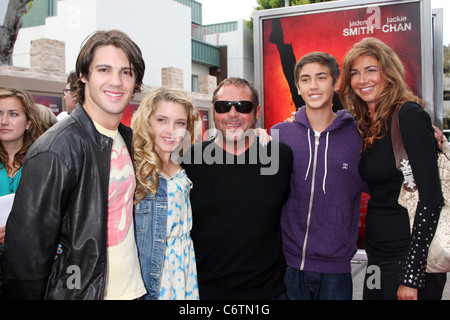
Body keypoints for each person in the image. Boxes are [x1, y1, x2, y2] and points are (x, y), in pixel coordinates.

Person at [1, 29, 146, 300]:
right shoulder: (56, 150)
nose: (116, 82)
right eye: (104, 69)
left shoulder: (124, 137)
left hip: (132, 291)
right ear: (83, 75)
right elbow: (25, 261)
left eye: (126, 72)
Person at [340, 37, 446, 300]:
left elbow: (431, 199)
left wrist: (411, 275)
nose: (362, 79)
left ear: (389, 72)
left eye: (371, 70)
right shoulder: (368, 125)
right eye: (355, 72)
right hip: (377, 254)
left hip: (408, 256)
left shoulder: (409, 115)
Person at [181, 77, 293, 299]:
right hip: (205, 292)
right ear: (214, 112)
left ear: (257, 112)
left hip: (268, 292)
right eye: (224, 106)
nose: (233, 114)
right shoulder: (190, 160)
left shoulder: (280, 156)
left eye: (243, 106)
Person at [271, 52, 368, 300]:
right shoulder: (279, 134)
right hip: (288, 266)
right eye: (305, 79)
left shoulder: (358, 136)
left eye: (321, 77)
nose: (313, 86)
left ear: (335, 83)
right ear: (298, 87)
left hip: (336, 270)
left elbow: (383, 185)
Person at [131, 87, 200, 300]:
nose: (171, 130)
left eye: (180, 123)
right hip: (154, 269)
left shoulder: (185, 161)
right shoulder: (134, 167)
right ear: (147, 121)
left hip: (184, 266)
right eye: (162, 120)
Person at [0, 88, 43, 245]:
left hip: (30, 255)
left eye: (13, 114)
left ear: (28, 123)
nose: (4, 121)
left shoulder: (44, 161)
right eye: (0, 113)